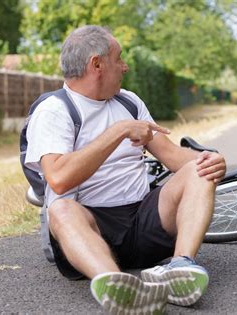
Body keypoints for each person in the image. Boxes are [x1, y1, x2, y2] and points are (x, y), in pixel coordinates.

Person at [24, 25, 226, 314]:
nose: (125, 66)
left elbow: (172, 156)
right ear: (97, 64)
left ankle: (181, 265)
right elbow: (58, 177)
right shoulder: (54, 110)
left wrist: (209, 159)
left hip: (142, 222)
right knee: (61, 209)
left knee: (198, 170)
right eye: (119, 59)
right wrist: (118, 131)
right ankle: (115, 284)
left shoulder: (129, 102)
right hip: (90, 231)